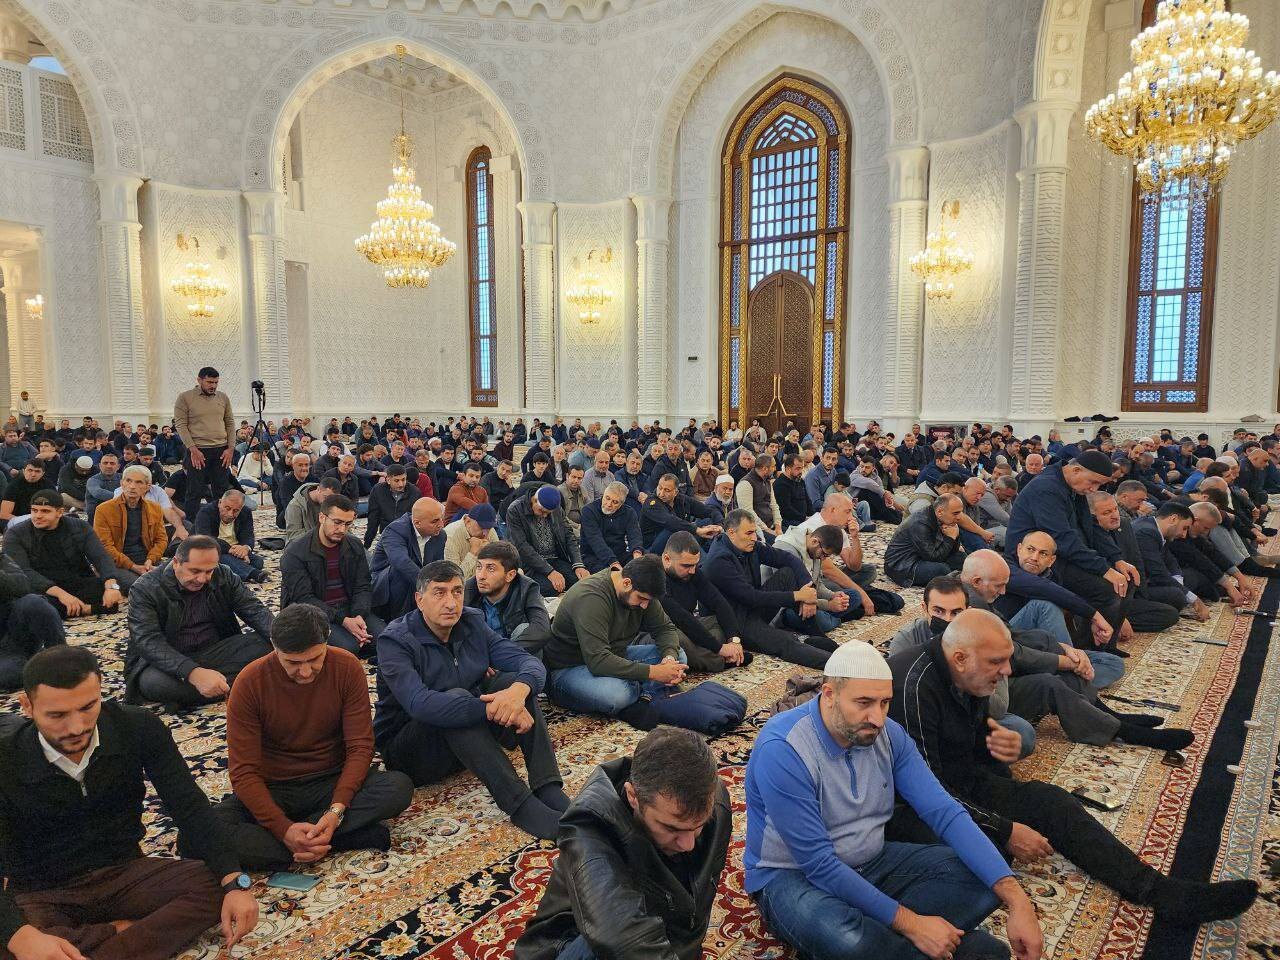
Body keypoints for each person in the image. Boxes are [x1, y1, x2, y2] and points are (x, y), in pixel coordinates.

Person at [889, 609, 1259, 927]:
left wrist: (997, 754)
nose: (1007, 671)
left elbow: (968, 752)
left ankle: (1161, 893)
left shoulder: (969, 671)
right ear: (959, 658)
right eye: (997, 662)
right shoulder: (915, 687)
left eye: (1007, 660)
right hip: (908, 807)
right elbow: (927, 793)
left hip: (953, 783)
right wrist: (1004, 828)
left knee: (1049, 802)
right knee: (985, 860)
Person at [745, 638, 1043, 960]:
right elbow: (818, 864)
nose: (877, 718)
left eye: (885, 703)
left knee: (986, 876)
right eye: (864, 703)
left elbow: (944, 812)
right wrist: (912, 924)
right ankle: (932, 945)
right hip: (792, 875)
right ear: (829, 695)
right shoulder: (785, 748)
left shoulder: (888, 734)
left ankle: (881, 942)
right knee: (847, 939)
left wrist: (1018, 900)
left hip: (872, 860)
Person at [0, 646, 260, 960]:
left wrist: (234, 882)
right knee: (13, 938)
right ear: (27, 706)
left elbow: (189, 805)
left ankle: (85, 947)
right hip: (44, 891)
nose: (77, 727)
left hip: (123, 872)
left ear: (100, 691)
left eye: (88, 707)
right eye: (57, 715)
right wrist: (20, 935)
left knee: (215, 885)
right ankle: (118, 934)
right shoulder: (7, 757)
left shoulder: (136, 726)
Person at [205, 604, 413, 869]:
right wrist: (282, 828)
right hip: (276, 787)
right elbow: (243, 772)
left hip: (330, 780)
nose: (305, 672)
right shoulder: (249, 682)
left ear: (327, 642)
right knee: (199, 834)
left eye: (314, 659)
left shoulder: (346, 667)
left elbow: (360, 747)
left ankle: (307, 839)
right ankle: (337, 839)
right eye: (293, 663)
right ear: (274, 648)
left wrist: (336, 810)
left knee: (397, 787)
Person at [374, 560, 569, 841]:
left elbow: (528, 663)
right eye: (439, 593)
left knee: (510, 685)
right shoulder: (396, 641)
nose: (450, 603)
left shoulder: (471, 622)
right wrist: (493, 707)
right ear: (419, 599)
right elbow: (420, 703)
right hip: (412, 751)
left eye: (457, 592)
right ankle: (520, 804)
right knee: (456, 699)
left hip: (467, 742)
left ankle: (546, 785)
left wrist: (517, 693)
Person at [515, 727, 732, 960]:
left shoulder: (713, 802)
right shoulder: (589, 823)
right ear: (633, 796)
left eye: (698, 826)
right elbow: (621, 938)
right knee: (604, 944)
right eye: (671, 828)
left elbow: (694, 912)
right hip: (569, 945)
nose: (688, 844)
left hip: (654, 936)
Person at [124, 535, 273, 708]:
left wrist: (284, 642)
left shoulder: (223, 574)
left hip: (216, 650)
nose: (202, 579)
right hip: (170, 659)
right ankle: (244, 682)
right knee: (153, 683)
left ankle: (207, 691)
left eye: (209, 571)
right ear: (176, 563)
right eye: (195, 571)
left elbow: (254, 610)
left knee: (271, 644)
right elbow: (148, 641)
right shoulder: (145, 588)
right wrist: (192, 673)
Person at [541, 555, 689, 728]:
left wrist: (668, 659)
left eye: (648, 601)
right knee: (617, 695)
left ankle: (641, 693)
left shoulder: (642, 591)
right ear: (626, 583)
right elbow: (598, 661)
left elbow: (665, 629)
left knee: (678, 656)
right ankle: (648, 692)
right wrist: (652, 673)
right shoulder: (591, 597)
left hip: (614, 655)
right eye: (641, 599)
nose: (644, 606)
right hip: (569, 669)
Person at [1004, 451, 1139, 633]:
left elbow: (1089, 525)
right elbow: (1062, 538)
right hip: (1038, 558)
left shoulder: (1072, 485)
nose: (1094, 489)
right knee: (1107, 589)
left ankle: (1105, 642)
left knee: (1126, 579)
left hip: (1061, 553)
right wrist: (1104, 569)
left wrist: (1116, 559)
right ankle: (1090, 644)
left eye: (1099, 485)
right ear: (1076, 470)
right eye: (1093, 482)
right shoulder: (1046, 488)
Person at [703, 509, 837, 669]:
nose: (754, 537)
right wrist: (798, 596)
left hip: (752, 609)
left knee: (788, 574)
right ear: (731, 533)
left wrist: (809, 592)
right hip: (734, 622)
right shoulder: (719, 561)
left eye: (754, 532)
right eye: (749, 533)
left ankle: (816, 634)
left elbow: (789, 559)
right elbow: (751, 597)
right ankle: (838, 665)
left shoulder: (748, 545)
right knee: (786, 641)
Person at [279, 496, 385, 656]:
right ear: (322, 517)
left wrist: (359, 614)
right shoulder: (295, 552)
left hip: (349, 607)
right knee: (348, 648)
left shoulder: (354, 545)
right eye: (337, 522)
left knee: (386, 639)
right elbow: (303, 598)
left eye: (347, 524)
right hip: (313, 614)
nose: (342, 529)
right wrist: (343, 620)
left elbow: (362, 585)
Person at [3, 491, 123, 619]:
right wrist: (62, 595)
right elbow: (23, 570)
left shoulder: (80, 527)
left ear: (60, 512)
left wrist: (111, 586)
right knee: (32, 604)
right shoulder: (16, 533)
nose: (38, 516)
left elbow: (100, 557)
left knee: (111, 595)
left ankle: (79, 609)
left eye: (45, 511)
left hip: (75, 581)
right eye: (34, 510)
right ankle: (87, 609)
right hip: (43, 587)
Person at [659, 531, 750, 674]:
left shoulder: (692, 573)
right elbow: (681, 618)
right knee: (679, 640)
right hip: (659, 631)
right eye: (686, 566)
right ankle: (722, 661)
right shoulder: (655, 577)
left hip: (689, 625)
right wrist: (720, 648)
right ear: (667, 559)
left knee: (719, 621)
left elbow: (718, 602)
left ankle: (703, 657)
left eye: (695, 565)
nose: (692, 571)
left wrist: (734, 639)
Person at [463, 540, 552, 655]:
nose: (481, 576)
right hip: (480, 653)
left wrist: (503, 655)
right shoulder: (468, 589)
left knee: (524, 630)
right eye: (479, 567)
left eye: (490, 569)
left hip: (512, 651)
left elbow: (541, 629)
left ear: (510, 575)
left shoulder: (526, 587)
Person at [92, 464, 169, 593]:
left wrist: (150, 560)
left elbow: (161, 539)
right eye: (128, 481)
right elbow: (105, 546)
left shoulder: (154, 508)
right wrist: (133, 566)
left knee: (176, 577)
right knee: (141, 587)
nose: (132, 486)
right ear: (122, 483)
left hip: (146, 559)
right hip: (117, 563)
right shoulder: (104, 509)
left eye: (139, 482)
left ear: (148, 487)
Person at [173, 366, 236, 522]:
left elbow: (229, 422)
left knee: (221, 489)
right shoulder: (185, 397)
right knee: (194, 490)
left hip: (221, 450)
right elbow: (181, 425)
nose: (213, 386)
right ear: (199, 380)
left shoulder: (223, 397)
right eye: (209, 382)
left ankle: (219, 522)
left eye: (216, 382)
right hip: (197, 451)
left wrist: (230, 448)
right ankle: (192, 526)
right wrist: (193, 449)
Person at [1132, 502, 1211, 620]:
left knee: (1190, 577)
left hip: (1151, 580)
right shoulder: (1146, 532)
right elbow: (1158, 574)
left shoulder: (1154, 527)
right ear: (1173, 519)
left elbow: (1170, 560)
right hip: (1137, 589)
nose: (1184, 535)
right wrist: (1195, 599)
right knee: (1177, 596)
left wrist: (1178, 579)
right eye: (1184, 528)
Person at [0, 550, 66, 692]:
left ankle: (61, 657)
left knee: (34, 602)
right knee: (9, 675)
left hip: (13, 632)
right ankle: (37, 665)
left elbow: (22, 586)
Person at [370, 497, 446, 619]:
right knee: (402, 572)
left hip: (418, 584)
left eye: (441, 519)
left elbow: (437, 566)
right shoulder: (395, 530)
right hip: (386, 585)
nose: (441, 525)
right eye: (435, 521)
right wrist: (429, 586)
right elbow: (401, 562)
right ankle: (399, 621)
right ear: (417, 523)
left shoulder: (440, 535)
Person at [507, 485, 589, 597]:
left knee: (580, 581)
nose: (545, 516)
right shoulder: (515, 510)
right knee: (552, 588)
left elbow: (569, 536)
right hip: (530, 565)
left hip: (555, 558)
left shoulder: (556, 508)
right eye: (542, 511)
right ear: (534, 500)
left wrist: (578, 564)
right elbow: (522, 546)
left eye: (548, 513)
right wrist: (549, 571)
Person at [884, 493, 966, 586]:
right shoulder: (920, 523)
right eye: (955, 513)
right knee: (942, 570)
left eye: (960, 512)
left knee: (962, 559)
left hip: (923, 556)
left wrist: (955, 535)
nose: (959, 517)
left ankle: (956, 577)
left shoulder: (942, 517)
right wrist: (950, 538)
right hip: (902, 565)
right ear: (940, 512)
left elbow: (953, 550)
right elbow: (932, 557)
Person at [193, 487, 266, 583]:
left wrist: (245, 548)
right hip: (212, 549)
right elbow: (204, 539)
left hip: (236, 550)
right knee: (223, 558)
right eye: (227, 508)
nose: (231, 514)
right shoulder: (206, 512)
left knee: (258, 561)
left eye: (236, 511)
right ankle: (253, 574)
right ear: (220, 503)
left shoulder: (246, 512)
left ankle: (233, 571)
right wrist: (229, 549)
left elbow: (248, 535)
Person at [641, 473, 722, 553]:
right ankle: (702, 558)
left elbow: (709, 510)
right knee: (675, 531)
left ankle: (713, 552)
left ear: (676, 492)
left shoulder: (681, 499)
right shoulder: (651, 503)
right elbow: (670, 521)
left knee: (707, 521)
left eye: (667, 490)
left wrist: (720, 525)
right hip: (653, 546)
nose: (661, 494)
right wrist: (697, 530)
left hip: (680, 540)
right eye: (660, 488)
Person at [578, 481, 644, 572]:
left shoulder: (629, 512)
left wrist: (637, 554)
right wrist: (614, 563)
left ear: (621, 504)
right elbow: (596, 541)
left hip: (620, 554)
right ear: (603, 494)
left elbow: (635, 535)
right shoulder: (589, 511)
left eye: (615, 502)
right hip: (594, 556)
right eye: (607, 498)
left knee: (645, 566)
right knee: (613, 576)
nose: (609, 504)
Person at [363, 462, 422, 548]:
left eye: (403, 480)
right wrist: (366, 545)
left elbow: (417, 519)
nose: (401, 484)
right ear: (388, 480)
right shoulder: (378, 490)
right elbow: (373, 518)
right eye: (396, 480)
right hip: (386, 532)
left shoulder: (415, 492)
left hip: (407, 535)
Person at [443, 502, 500, 579]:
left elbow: (499, 563)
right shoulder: (450, 536)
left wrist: (488, 553)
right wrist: (473, 553)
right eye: (482, 527)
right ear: (468, 521)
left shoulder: (489, 530)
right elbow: (455, 577)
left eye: (489, 528)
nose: (485, 533)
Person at [284, 474, 341, 544]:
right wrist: (323, 535)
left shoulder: (331, 502)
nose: (328, 501)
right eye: (325, 497)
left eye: (332, 499)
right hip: (304, 544)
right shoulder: (295, 505)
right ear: (318, 489)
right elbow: (293, 536)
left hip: (327, 541)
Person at [0, 458, 55, 526]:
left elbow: (54, 508)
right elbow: (4, 514)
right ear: (23, 471)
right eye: (30, 470)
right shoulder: (14, 486)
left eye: (37, 471)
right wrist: (28, 521)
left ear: (43, 473)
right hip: (18, 520)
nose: (33, 474)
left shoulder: (49, 486)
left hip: (41, 518)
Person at [85, 450, 121, 520]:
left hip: (118, 514)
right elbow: (98, 493)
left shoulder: (123, 478)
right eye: (105, 463)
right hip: (97, 517)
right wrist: (124, 497)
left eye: (112, 463)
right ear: (100, 466)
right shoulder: (93, 480)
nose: (108, 466)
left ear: (118, 466)